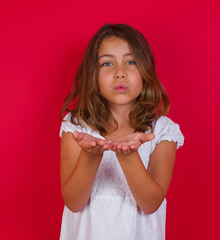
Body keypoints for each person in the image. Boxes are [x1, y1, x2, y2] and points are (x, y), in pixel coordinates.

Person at [59, 23, 184, 240]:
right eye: (107, 63)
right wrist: (90, 155)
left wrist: (129, 157)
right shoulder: (76, 127)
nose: (120, 73)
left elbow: (150, 203)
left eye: (130, 61)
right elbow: (73, 202)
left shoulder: (163, 131)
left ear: (146, 69)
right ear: (93, 74)